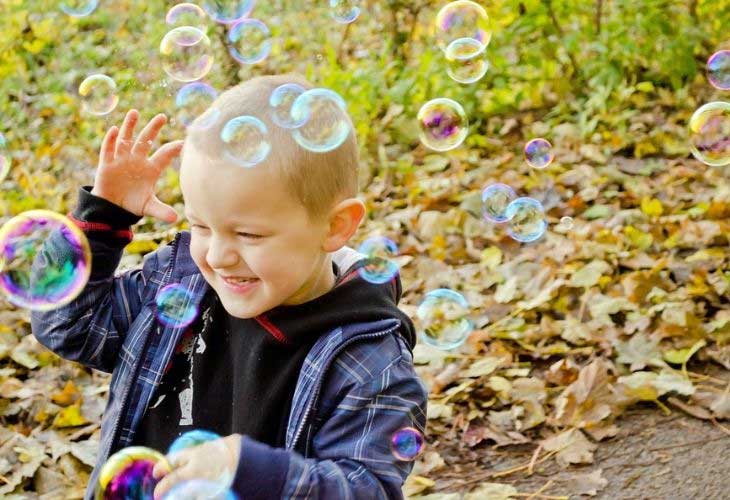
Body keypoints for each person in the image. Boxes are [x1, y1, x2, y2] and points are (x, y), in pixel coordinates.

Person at [31, 74, 427, 499]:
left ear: (334, 226)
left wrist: (255, 471)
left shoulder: (369, 362)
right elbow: (68, 324)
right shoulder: (179, 282)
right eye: (200, 226)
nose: (218, 256)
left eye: (249, 235)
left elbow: (367, 489)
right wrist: (103, 218)